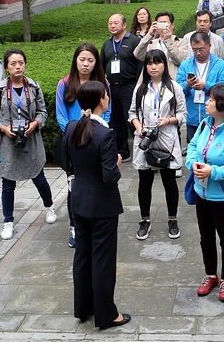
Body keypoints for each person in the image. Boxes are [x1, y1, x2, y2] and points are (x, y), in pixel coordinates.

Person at [62, 82, 130, 329]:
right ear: (102, 100)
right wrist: (117, 162)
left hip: (79, 200)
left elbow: (65, 161)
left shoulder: (72, 126)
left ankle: (83, 307)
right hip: (102, 205)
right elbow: (109, 176)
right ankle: (107, 314)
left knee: (82, 255)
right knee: (103, 260)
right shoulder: (105, 134)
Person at [185, 84, 224, 303]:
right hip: (201, 193)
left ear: (222, 106)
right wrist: (193, 163)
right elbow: (192, 146)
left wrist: (214, 172)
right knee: (206, 237)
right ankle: (211, 274)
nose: (207, 102)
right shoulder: (205, 124)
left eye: (211, 100)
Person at [0, 49, 56, 240]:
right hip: (8, 143)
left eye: (21, 63)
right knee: (7, 183)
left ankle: (49, 207)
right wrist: (4, 129)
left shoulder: (33, 87)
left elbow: (43, 112)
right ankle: (8, 221)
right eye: (13, 63)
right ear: (6, 67)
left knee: (39, 178)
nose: (18, 67)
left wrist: (35, 124)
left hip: (31, 139)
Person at [56, 43, 112, 248]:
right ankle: (75, 225)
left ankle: (95, 221)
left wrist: (95, 132)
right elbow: (61, 115)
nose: (86, 64)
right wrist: (76, 133)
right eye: (82, 59)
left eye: (90, 60)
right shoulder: (64, 84)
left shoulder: (103, 83)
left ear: (96, 62)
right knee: (74, 186)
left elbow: (107, 112)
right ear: (75, 61)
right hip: (73, 142)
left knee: (95, 182)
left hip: (96, 141)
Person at [129, 50, 187, 240]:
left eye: (157, 63)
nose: (153, 67)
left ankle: (172, 219)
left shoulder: (174, 87)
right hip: (145, 139)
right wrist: (139, 127)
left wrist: (168, 120)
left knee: (169, 181)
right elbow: (132, 113)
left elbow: (182, 114)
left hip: (166, 139)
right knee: (144, 181)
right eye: (149, 63)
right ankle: (145, 220)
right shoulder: (140, 88)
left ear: (164, 64)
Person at [177, 31, 224, 142]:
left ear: (209, 46)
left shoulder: (220, 65)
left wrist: (205, 86)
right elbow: (178, 90)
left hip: (214, 118)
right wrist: (188, 85)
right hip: (192, 117)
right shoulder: (185, 65)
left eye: (201, 49)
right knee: (194, 146)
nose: (198, 53)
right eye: (194, 50)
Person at [100, 13, 141, 160]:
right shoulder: (107, 44)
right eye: (110, 23)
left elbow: (140, 65)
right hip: (112, 87)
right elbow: (101, 66)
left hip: (129, 86)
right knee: (116, 120)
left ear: (124, 25)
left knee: (131, 118)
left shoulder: (134, 41)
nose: (112, 25)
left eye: (116, 23)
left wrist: (138, 86)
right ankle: (122, 152)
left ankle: (142, 149)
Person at [134, 11, 189, 79]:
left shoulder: (181, 42)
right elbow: (138, 54)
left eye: (165, 23)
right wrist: (149, 35)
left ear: (172, 25)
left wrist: (168, 41)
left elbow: (181, 60)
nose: (163, 26)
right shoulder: (151, 43)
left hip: (172, 80)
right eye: (160, 23)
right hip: (151, 81)